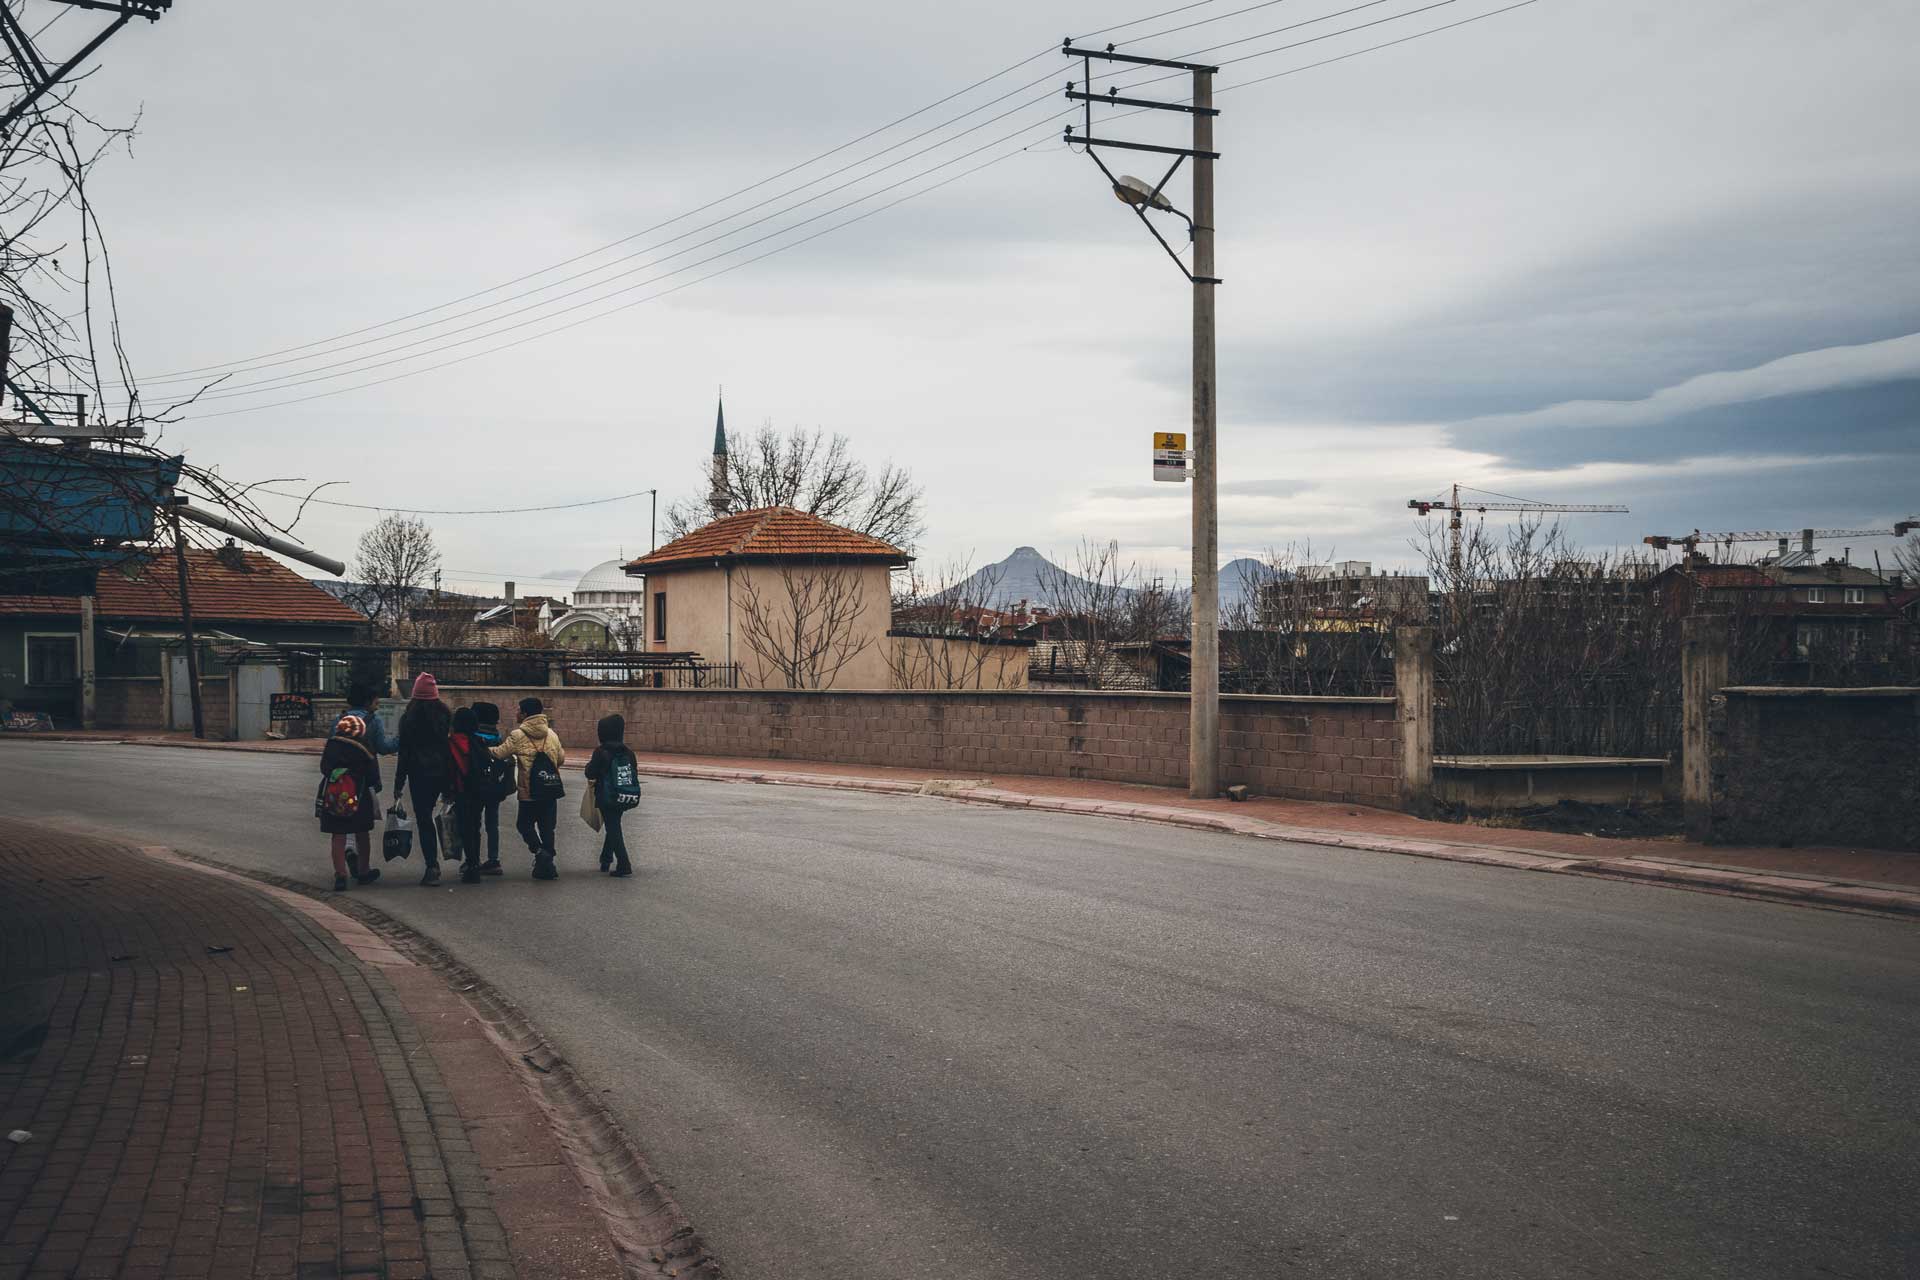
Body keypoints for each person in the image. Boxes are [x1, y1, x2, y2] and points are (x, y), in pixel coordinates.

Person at [489, 696, 565, 880]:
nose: (516, 713)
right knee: (547, 828)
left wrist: (483, 749)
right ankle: (548, 865)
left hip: (530, 792)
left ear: (524, 714)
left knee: (524, 825)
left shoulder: (518, 735)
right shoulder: (552, 734)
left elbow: (499, 754)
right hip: (550, 789)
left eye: (518, 710)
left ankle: (540, 852)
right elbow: (560, 759)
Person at [391, 673, 455, 887]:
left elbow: (405, 753)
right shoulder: (445, 715)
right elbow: (449, 748)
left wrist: (399, 783)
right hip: (443, 772)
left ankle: (432, 865)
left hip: (419, 774)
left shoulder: (409, 718)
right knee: (448, 815)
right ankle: (466, 859)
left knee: (424, 819)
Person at [316, 714, 382, 892]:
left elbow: (324, 769)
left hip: (334, 796)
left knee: (338, 835)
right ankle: (363, 871)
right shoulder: (364, 748)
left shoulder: (332, 745)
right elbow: (372, 777)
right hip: (358, 796)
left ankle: (340, 874)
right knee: (361, 833)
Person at [341, 679, 398, 884]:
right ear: (367, 701)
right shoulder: (373, 721)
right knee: (363, 824)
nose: (378, 703)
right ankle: (363, 870)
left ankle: (347, 852)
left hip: (341, 779)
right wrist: (402, 739)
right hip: (365, 778)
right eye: (375, 700)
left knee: (344, 816)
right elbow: (383, 747)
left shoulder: (341, 719)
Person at [583, 713, 636, 878]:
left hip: (607, 796)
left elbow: (590, 772)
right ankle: (606, 859)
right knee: (613, 825)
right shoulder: (628, 752)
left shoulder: (601, 751)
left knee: (613, 828)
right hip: (625, 795)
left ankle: (624, 864)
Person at [448, 705, 486, 884]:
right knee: (475, 827)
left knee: (464, 829)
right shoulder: (478, 741)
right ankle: (474, 862)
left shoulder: (451, 742)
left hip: (460, 790)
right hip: (478, 791)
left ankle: (471, 864)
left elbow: (448, 768)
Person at [470, 701, 507, 876]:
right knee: (492, 824)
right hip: (494, 787)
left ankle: (472, 860)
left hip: (475, 787)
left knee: (473, 824)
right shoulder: (498, 738)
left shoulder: (472, 737)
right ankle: (494, 859)